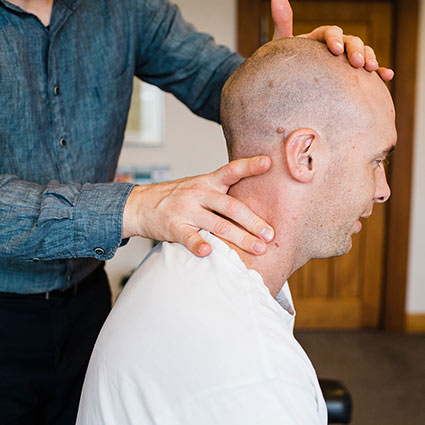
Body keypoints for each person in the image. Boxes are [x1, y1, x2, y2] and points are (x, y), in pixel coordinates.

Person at [0, 0, 392, 423]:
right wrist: (130, 208)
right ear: (307, 156)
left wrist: (297, 80)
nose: (382, 190)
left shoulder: (121, 8)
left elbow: (213, 78)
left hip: (83, 298)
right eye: (377, 161)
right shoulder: (260, 377)